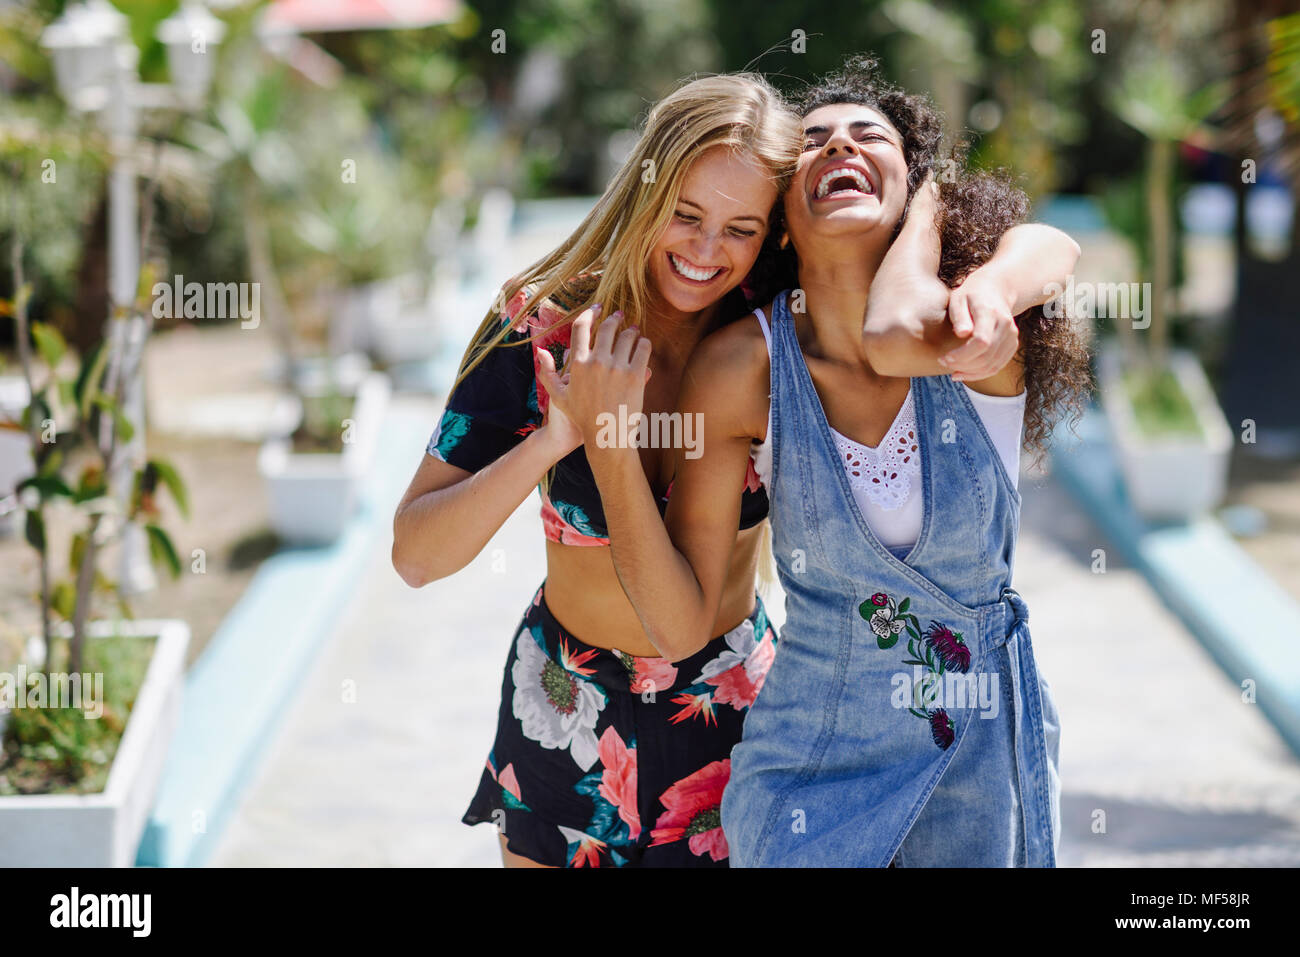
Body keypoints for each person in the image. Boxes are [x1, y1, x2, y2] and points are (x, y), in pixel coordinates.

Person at [547, 55, 1090, 866]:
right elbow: (680, 623)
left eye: (869, 138)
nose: (840, 147)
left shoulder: (970, 337)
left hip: (981, 769)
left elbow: (920, 316)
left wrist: (965, 242)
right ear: (781, 219)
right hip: (810, 776)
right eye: (816, 143)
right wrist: (611, 446)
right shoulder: (743, 368)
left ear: (916, 201)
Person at [392, 72, 805, 868]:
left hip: (729, 718)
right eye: (686, 215)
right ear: (643, 190)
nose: (705, 251)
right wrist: (556, 438)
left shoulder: (771, 329)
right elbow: (416, 554)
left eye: (740, 228)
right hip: (562, 703)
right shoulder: (541, 319)